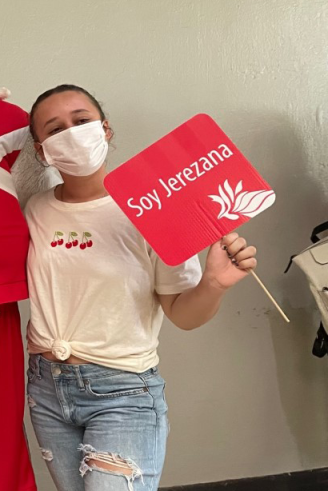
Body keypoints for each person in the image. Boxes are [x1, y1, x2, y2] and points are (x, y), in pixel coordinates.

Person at [24, 84, 258, 491]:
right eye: (55, 129)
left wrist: (214, 284)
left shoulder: (153, 207)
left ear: (106, 129)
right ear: (43, 150)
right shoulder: (35, 209)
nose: (72, 134)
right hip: (46, 389)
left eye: (81, 121)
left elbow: (183, 315)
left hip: (123, 391)